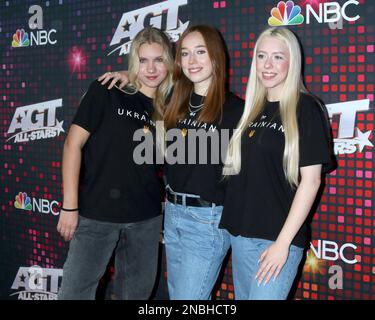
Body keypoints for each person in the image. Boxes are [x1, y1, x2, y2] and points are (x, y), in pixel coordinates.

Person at [99, 25, 244, 300]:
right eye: (185, 53)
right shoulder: (174, 100)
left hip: (207, 221)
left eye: (200, 52)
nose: (192, 61)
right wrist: (126, 76)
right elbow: (146, 83)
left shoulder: (236, 110)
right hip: (173, 216)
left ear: (216, 56)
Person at [57, 27, 174, 300]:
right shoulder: (108, 90)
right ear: (133, 61)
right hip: (96, 214)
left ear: (168, 63)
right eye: (143, 60)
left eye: (158, 60)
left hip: (145, 219)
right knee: (74, 294)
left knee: (136, 296)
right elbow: (72, 145)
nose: (151, 68)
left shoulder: (169, 108)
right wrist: (69, 205)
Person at [221, 27, 334, 300]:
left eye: (277, 57)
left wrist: (282, 244)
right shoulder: (250, 109)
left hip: (277, 240)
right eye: (262, 56)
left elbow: (312, 181)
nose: (268, 65)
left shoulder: (306, 108)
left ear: (292, 61)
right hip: (241, 236)